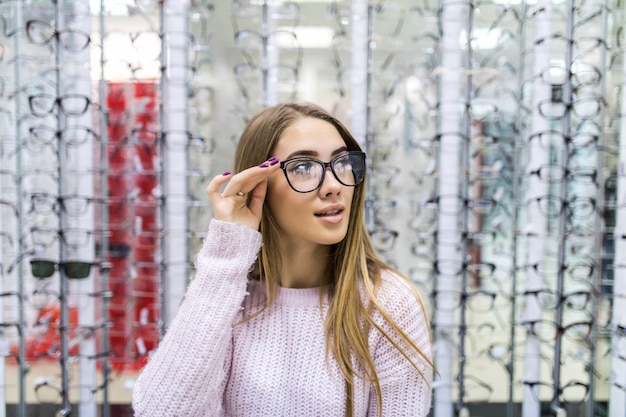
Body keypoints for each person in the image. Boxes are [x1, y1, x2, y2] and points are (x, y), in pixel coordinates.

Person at [132, 102, 434, 416]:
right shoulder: (223, 296)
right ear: (257, 185)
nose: (334, 186)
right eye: (303, 167)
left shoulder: (387, 302)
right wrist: (227, 250)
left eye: (342, 162)